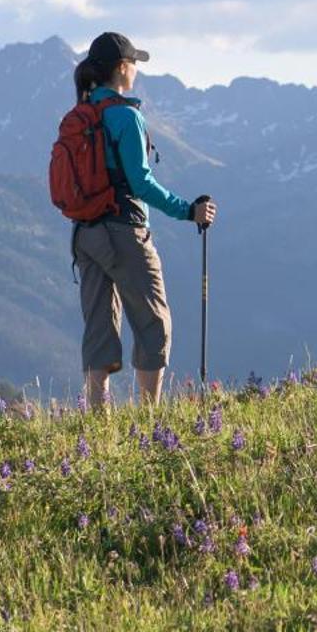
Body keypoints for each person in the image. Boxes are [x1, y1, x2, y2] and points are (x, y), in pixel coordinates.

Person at [69, 32, 219, 409]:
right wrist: (188, 210)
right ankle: (149, 420)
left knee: (99, 327)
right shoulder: (125, 116)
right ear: (123, 68)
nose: (136, 70)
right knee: (154, 323)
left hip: (84, 235)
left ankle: (97, 421)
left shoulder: (79, 116)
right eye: (134, 63)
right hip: (124, 231)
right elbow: (140, 182)